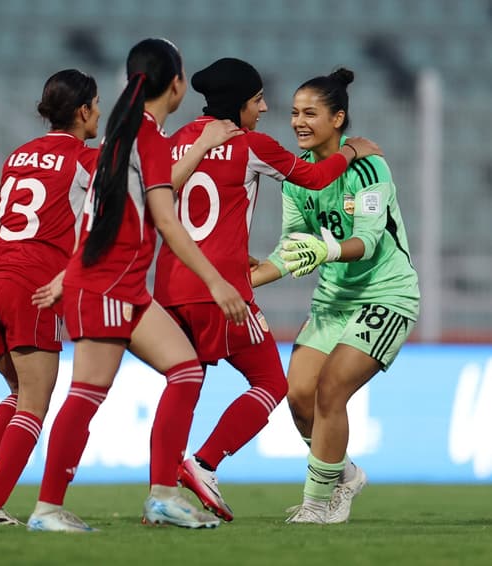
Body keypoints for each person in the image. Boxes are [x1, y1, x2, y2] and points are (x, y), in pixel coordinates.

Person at [25, 38, 246, 533]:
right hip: (108, 285)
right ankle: (46, 509)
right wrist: (216, 281)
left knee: (185, 371)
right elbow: (166, 221)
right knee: (86, 393)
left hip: (114, 284)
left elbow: (97, 214)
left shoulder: (124, 137)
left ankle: (162, 496)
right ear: (176, 84)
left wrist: (66, 276)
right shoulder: (140, 137)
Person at [154, 58, 382, 522]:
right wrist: (353, 151)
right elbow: (316, 177)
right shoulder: (249, 144)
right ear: (238, 104)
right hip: (221, 289)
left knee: (183, 383)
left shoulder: (176, 142)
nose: (264, 108)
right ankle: (204, 462)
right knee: (270, 382)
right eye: (257, 99)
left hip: (171, 286)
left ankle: (160, 496)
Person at [250, 68, 419, 524]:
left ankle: (318, 505)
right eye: (293, 113)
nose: (298, 122)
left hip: (385, 294)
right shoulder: (295, 179)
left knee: (330, 391)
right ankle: (344, 475)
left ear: (338, 118)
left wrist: (325, 249)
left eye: (310, 113)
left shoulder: (369, 167)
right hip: (333, 301)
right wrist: (248, 281)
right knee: (299, 396)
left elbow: (366, 241)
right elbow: (293, 248)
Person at [0, 69, 101, 526]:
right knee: (35, 402)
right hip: (30, 286)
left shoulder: (17, 155)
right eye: (95, 105)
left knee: (19, 392)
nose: (99, 113)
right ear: (82, 111)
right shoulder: (86, 159)